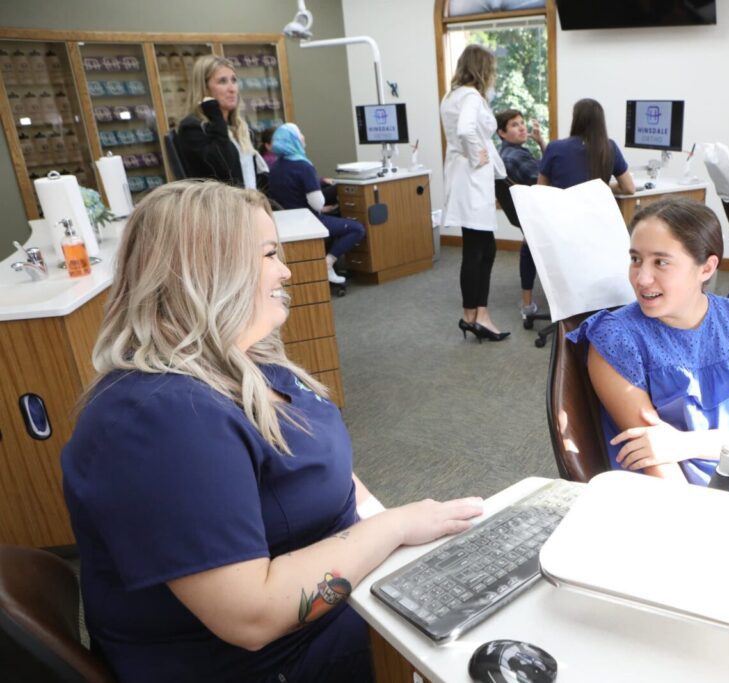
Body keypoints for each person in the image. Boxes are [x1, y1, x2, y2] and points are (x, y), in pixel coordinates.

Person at [61, 181, 484, 683]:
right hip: (268, 663)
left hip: (328, 616)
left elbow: (329, 470)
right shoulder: (161, 419)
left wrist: (407, 554)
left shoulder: (247, 361)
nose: (285, 271)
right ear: (208, 270)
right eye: (268, 255)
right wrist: (392, 529)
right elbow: (252, 617)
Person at [568, 198, 729, 495]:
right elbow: (656, 461)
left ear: (706, 268)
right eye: (635, 259)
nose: (641, 278)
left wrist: (682, 444)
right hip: (683, 497)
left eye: (661, 262)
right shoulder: (616, 338)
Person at [440, 44, 509, 343]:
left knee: (479, 248)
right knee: (479, 250)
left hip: (461, 177)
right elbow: (467, 130)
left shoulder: (451, 96)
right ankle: (476, 316)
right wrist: (475, 155)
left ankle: (475, 315)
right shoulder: (470, 96)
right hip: (471, 179)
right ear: (483, 69)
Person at [268, 123, 365, 286]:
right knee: (357, 229)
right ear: (293, 140)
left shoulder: (275, 167)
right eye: (299, 133)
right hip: (308, 222)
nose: (303, 136)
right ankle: (327, 263)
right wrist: (325, 206)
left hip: (286, 221)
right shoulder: (304, 166)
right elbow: (318, 203)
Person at [177, 54, 268, 190]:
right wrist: (214, 113)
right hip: (221, 202)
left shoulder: (239, 127)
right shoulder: (192, 127)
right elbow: (224, 168)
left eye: (234, 80)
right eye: (222, 81)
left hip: (249, 200)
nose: (232, 89)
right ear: (204, 88)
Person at [497, 108, 546, 319]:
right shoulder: (515, 157)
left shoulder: (506, 153)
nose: (522, 128)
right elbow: (545, 181)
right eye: (514, 125)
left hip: (527, 216)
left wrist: (540, 142)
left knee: (529, 241)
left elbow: (543, 171)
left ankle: (527, 302)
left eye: (522, 123)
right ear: (501, 133)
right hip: (540, 214)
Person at [537, 98, 635, 194]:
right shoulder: (609, 147)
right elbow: (629, 188)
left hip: (563, 204)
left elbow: (540, 190)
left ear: (575, 120)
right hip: (596, 204)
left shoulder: (554, 147)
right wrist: (602, 187)